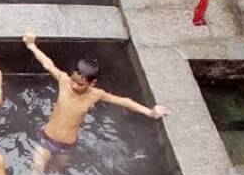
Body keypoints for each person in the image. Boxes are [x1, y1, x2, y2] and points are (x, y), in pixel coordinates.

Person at [22, 32, 168, 167]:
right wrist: (31, 45)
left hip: (67, 145)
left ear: (92, 83)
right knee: (37, 172)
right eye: (73, 79)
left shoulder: (96, 94)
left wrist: (150, 112)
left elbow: (124, 101)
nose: (74, 85)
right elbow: (48, 63)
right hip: (47, 138)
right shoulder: (63, 81)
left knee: (59, 169)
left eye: (80, 84)